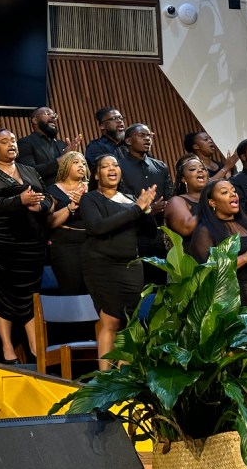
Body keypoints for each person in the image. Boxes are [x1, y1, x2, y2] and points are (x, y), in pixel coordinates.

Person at [0, 128, 52, 364]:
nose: (11, 144)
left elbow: (47, 198)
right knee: (5, 292)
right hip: (2, 242)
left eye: (13, 140)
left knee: (31, 293)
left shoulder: (29, 170)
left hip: (31, 242)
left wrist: (40, 206)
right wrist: (18, 201)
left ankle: (34, 345)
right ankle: (7, 348)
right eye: (4, 141)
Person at [80, 154, 156, 370]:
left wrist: (146, 209)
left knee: (130, 322)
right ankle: (104, 379)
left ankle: (124, 376)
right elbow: (98, 227)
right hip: (102, 265)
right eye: (105, 166)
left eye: (115, 165)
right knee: (111, 320)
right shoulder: (90, 199)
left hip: (131, 267)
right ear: (96, 174)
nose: (112, 169)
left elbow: (150, 233)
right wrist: (136, 209)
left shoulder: (131, 199)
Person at [189, 179, 247, 311]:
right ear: (212, 202)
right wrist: (246, 257)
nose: (233, 194)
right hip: (233, 301)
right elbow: (208, 272)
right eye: (225, 192)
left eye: (233, 191)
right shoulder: (205, 230)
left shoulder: (246, 224)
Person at [117, 123, 173, 284]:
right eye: (142, 135)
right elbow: (120, 201)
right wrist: (147, 210)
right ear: (128, 141)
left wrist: (167, 205)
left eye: (149, 136)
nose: (147, 139)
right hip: (133, 234)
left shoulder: (160, 166)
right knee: (139, 284)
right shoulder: (119, 167)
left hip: (160, 235)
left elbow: (169, 194)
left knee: (162, 284)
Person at [46, 151, 88, 294]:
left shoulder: (93, 189)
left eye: (83, 163)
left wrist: (86, 201)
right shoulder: (53, 190)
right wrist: (70, 207)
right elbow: (49, 222)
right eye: (76, 162)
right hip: (66, 246)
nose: (81, 166)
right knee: (72, 288)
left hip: (92, 243)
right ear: (65, 166)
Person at [17, 106, 82, 187]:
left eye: (54, 115)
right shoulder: (25, 143)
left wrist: (75, 159)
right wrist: (61, 161)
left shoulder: (62, 145)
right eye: (47, 113)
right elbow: (29, 172)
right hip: (44, 195)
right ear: (35, 120)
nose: (53, 117)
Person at [164, 154, 208, 250]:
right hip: (193, 260)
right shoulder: (176, 201)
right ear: (183, 179)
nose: (200, 170)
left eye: (203, 168)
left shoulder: (214, 198)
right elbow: (186, 228)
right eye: (193, 169)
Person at [84, 107, 126, 175]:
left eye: (120, 118)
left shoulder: (129, 145)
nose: (119, 121)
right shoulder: (95, 147)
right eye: (114, 118)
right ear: (102, 126)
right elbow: (103, 172)